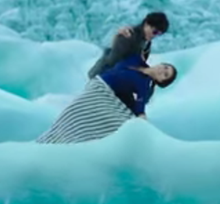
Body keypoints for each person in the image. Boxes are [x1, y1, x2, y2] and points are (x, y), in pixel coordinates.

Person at [36, 53, 177, 144]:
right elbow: (124, 49)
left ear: (160, 81)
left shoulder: (145, 85)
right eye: (165, 67)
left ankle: (64, 144)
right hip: (97, 84)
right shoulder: (137, 59)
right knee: (70, 112)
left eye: (165, 74)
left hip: (103, 94)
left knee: (78, 118)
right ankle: (49, 140)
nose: (162, 70)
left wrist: (142, 121)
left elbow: (139, 107)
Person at [87, 12, 169, 79]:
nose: (154, 36)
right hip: (102, 75)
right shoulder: (128, 35)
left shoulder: (146, 42)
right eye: (154, 32)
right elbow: (113, 60)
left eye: (159, 34)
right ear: (146, 24)